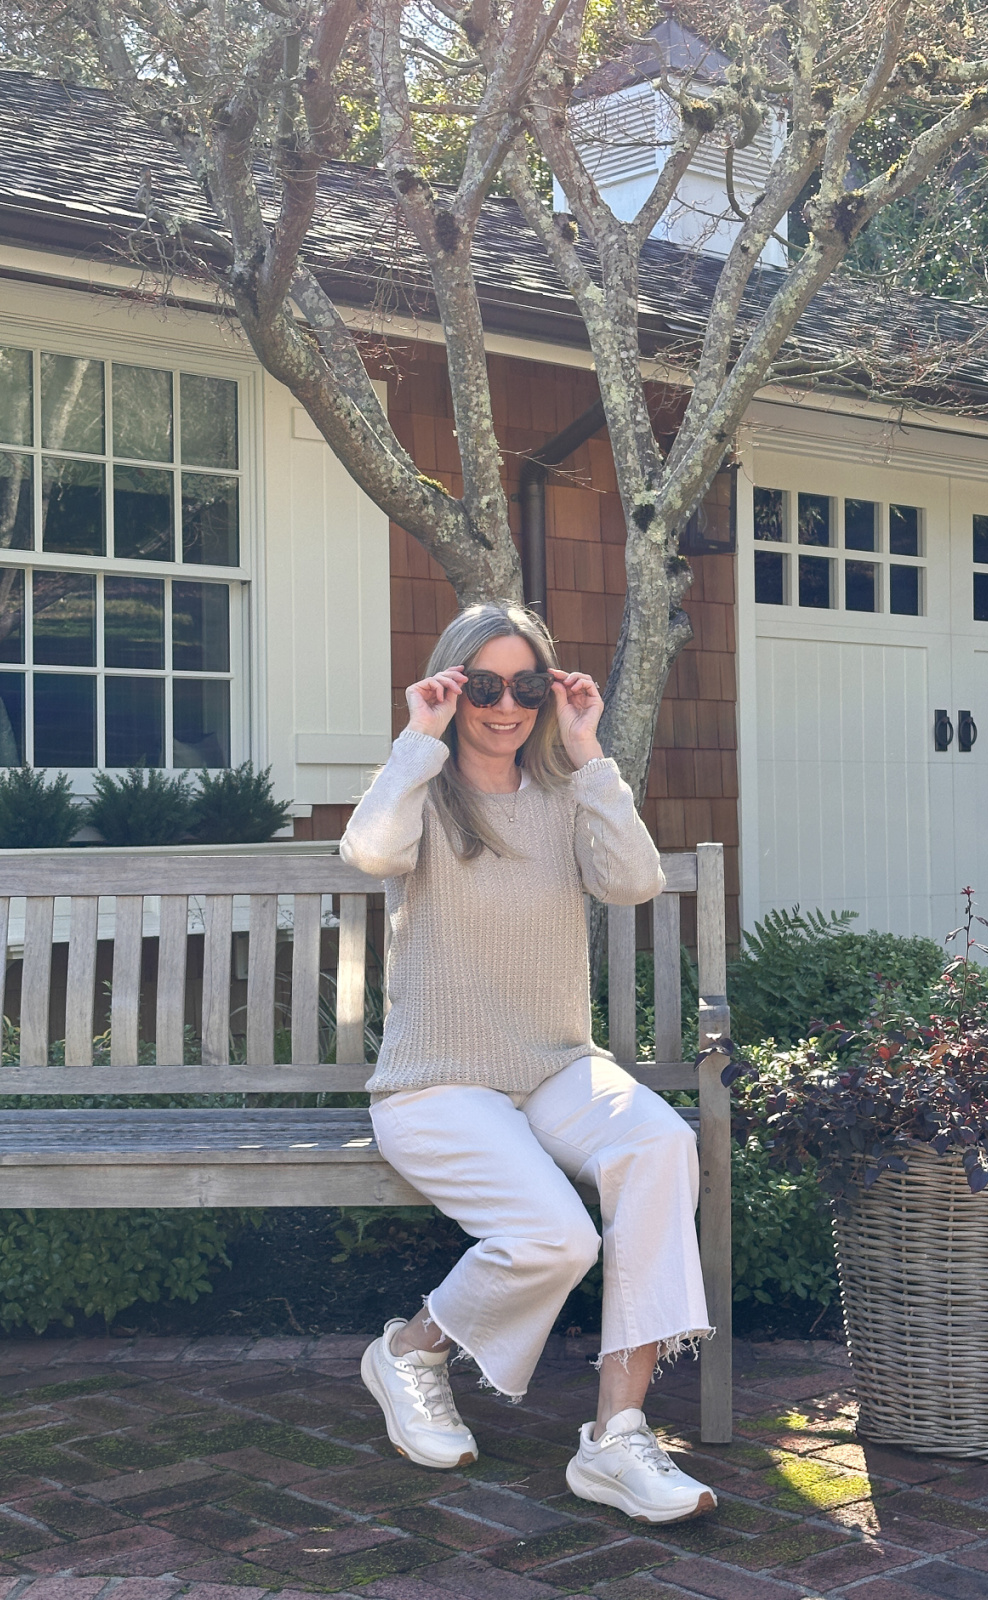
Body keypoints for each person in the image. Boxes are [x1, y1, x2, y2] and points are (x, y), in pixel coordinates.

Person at [339, 600, 717, 1525]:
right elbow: (369, 851)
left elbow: (634, 881)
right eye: (483, 685)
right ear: (453, 686)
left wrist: (589, 753)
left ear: (549, 693)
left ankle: (617, 1437)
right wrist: (418, 738)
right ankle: (412, 1351)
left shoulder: (567, 794)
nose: (505, 705)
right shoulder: (422, 793)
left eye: (526, 686)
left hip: (554, 1069)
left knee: (661, 1145)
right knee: (558, 1237)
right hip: (436, 1081)